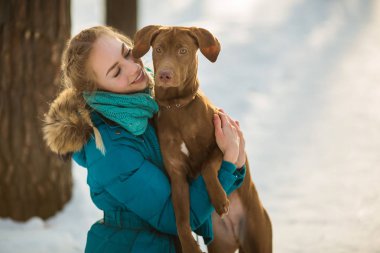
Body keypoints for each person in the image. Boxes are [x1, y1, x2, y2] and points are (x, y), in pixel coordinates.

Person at [43, 26, 246, 253]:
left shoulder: (152, 103)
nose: (132, 68)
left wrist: (228, 163)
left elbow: (196, 174)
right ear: (95, 90)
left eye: (127, 53)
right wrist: (229, 163)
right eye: (116, 72)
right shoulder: (110, 149)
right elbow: (176, 218)